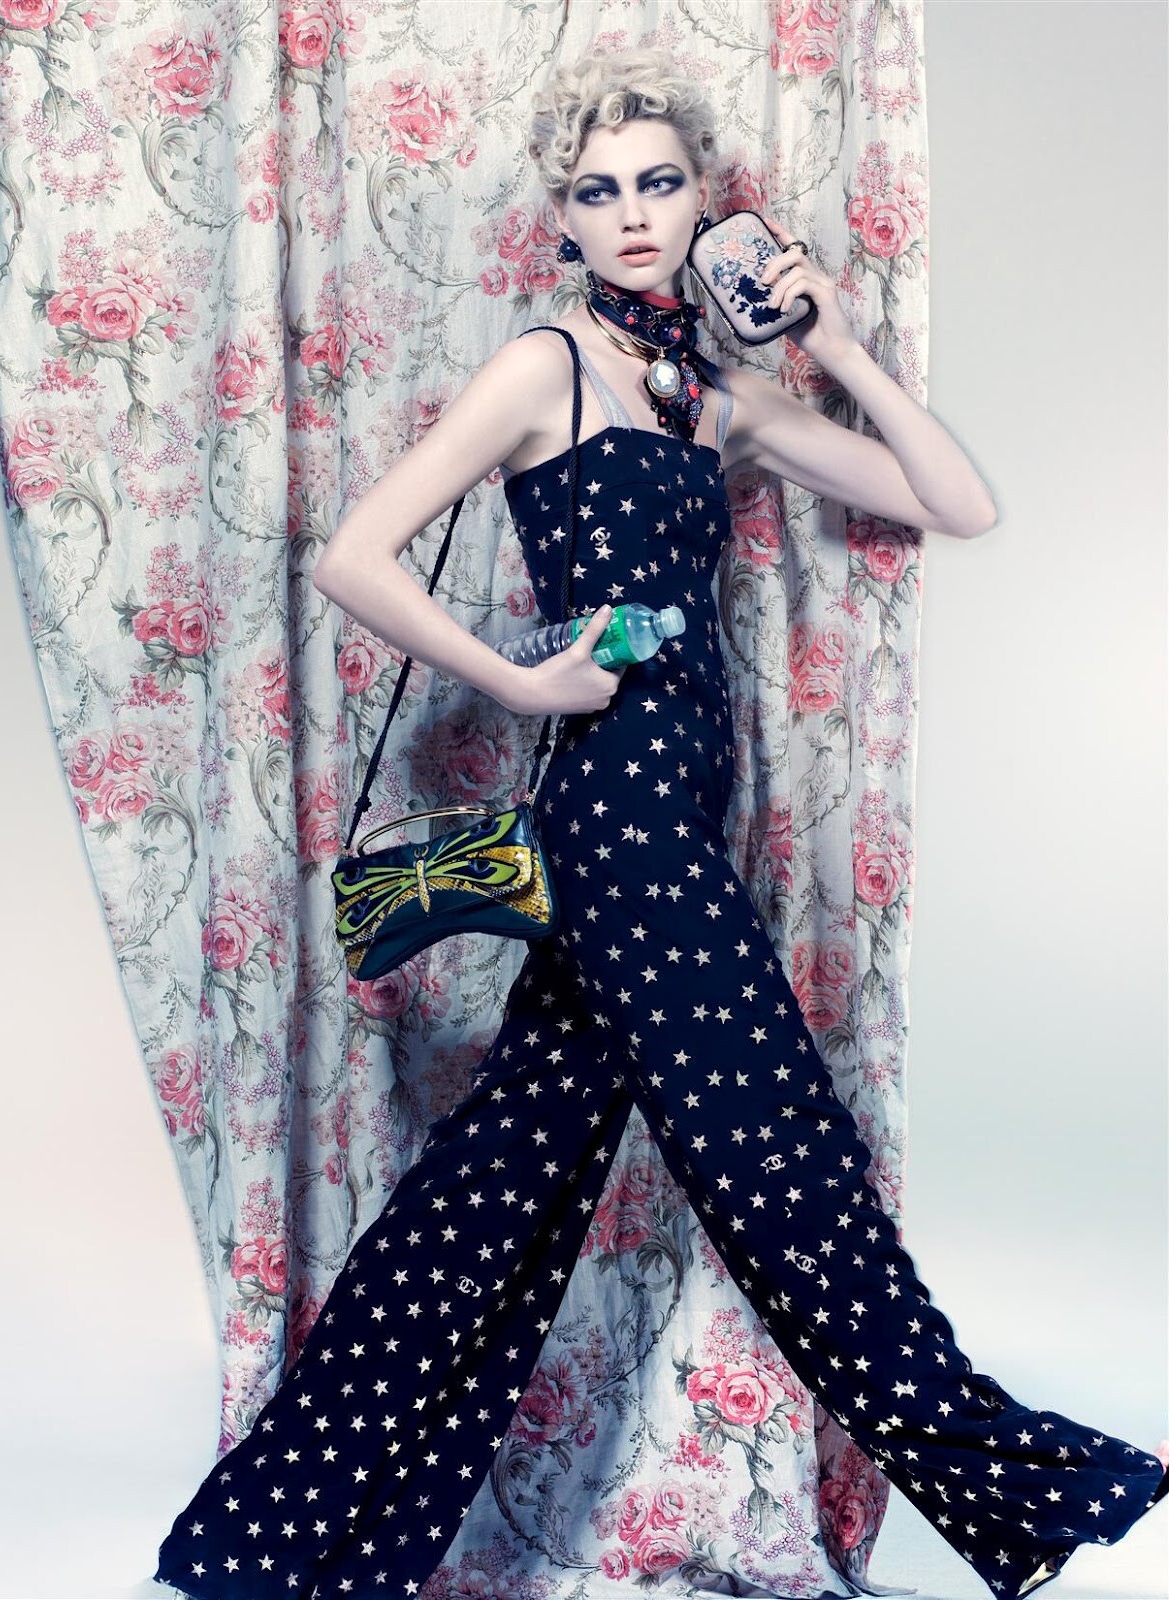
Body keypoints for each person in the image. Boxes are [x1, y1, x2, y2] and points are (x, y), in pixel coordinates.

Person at [154, 46, 1168, 1600]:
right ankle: (1022, 1491)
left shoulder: (717, 400)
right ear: (563, 216)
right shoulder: (543, 368)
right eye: (597, 190)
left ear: (702, 202)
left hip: (681, 811)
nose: (631, 215)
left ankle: (264, 1546)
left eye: (658, 183)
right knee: (790, 1164)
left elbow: (955, 502)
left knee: (492, 1192)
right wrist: (521, 680)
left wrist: (836, 344)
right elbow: (356, 553)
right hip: (616, 818)